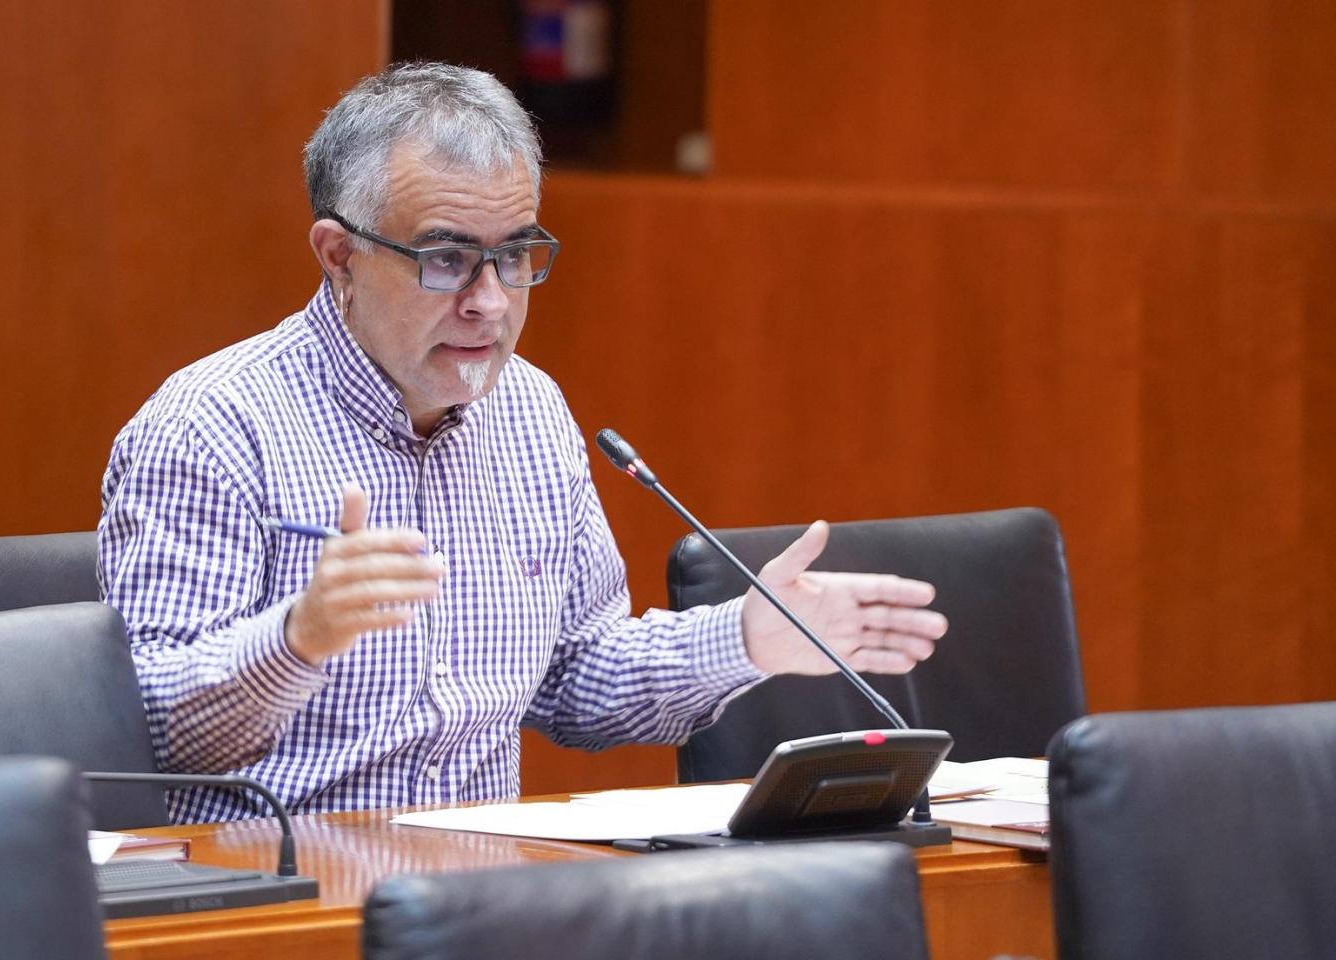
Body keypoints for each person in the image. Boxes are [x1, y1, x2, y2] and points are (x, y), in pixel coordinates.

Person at [98, 62, 947, 823]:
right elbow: (151, 734)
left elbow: (579, 679)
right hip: (281, 896)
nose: (491, 302)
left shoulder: (530, 412)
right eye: (446, 258)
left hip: (485, 894)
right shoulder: (212, 427)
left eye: (515, 256)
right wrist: (298, 639)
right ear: (339, 255)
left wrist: (750, 637)